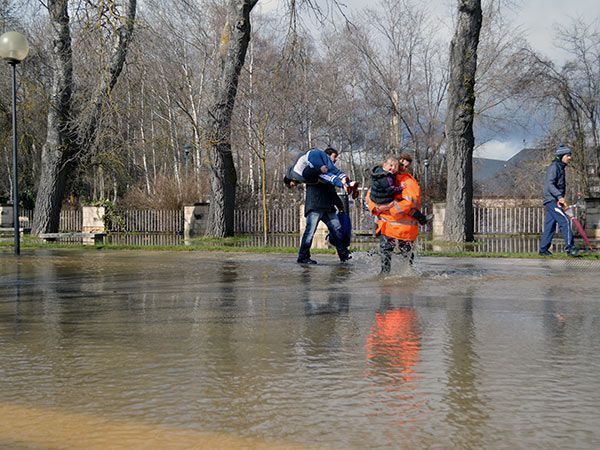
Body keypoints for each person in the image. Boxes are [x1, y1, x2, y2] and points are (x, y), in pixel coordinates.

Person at [366, 153, 428, 273]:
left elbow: (409, 202)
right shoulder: (383, 177)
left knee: (406, 254)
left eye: (406, 166)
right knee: (386, 251)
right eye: (400, 165)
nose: (402, 168)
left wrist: (390, 208)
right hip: (388, 225)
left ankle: (407, 274)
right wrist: (377, 208)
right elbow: (370, 196)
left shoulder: (408, 181)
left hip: (404, 227)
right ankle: (386, 275)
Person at [297, 178, 352, 265]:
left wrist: (339, 205)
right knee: (312, 232)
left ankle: (344, 254)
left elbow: (332, 191)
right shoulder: (318, 172)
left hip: (323, 206)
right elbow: (332, 191)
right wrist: (339, 205)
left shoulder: (325, 174)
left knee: (336, 230)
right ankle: (303, 257)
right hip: (317, 206)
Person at [539, 144, 578, 256]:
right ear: (561, 156)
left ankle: (543, 250)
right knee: (565, 221)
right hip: (552, 200)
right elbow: (549, 184)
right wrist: (560, 197)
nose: (570, 157)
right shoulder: (554, 167)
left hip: (555, 200)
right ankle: (570, 248)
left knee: (550, 225)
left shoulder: (560, 167)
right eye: (568, 155)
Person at [283, 147, 359, 197]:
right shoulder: (295, 165)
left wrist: (319, 171)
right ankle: (349, 182)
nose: (294, 186)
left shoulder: (296, 176)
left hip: (311, 158)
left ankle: (342, 185)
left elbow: (311, 177)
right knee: (333, 169)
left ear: (290, 180)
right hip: (316, 152)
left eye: (291, 185)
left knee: (324, 175)